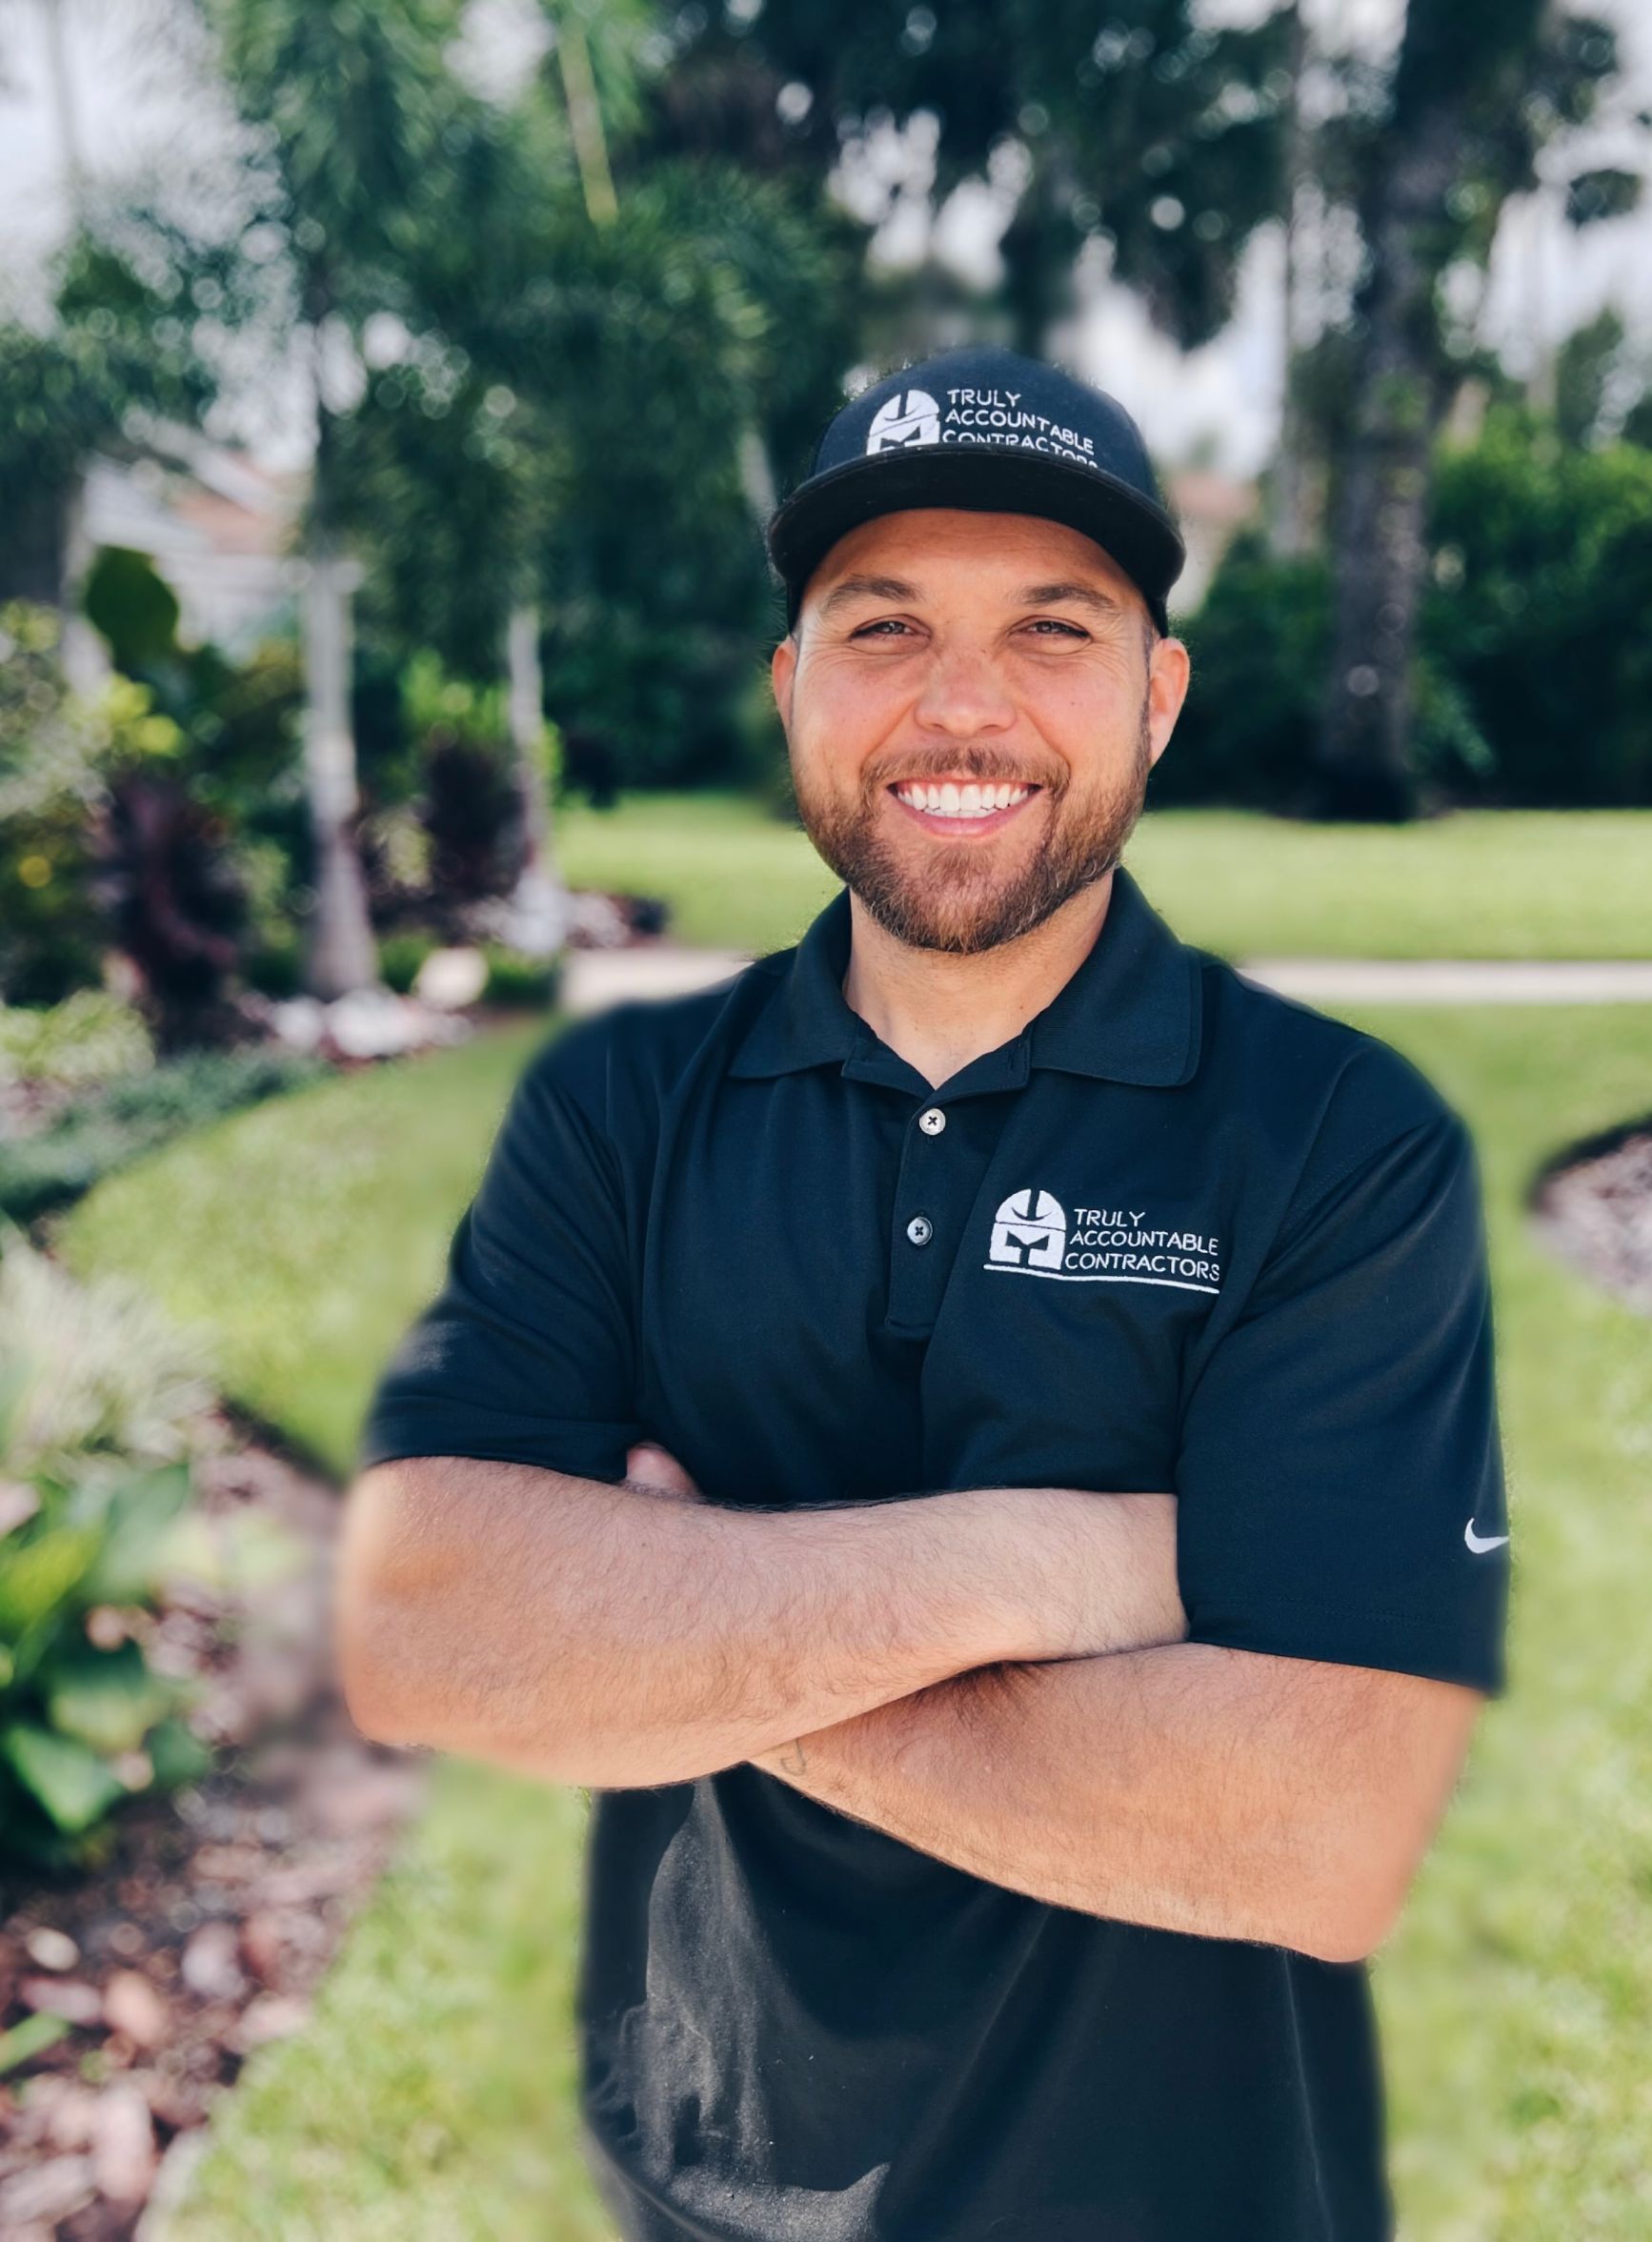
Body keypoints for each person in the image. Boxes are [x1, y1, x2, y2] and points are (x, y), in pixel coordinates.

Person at [338, 343, 1511, 2242]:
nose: (963, 707)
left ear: (1161, 696)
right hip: (707, 2193)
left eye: (1054, 630)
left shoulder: (1334, 1146)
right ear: (796, 688)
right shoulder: (623, 1108)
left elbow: (1317, 1830)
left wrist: (683, 1626)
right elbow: (419, 1623)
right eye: (884, 627)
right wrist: (1070, 1566)